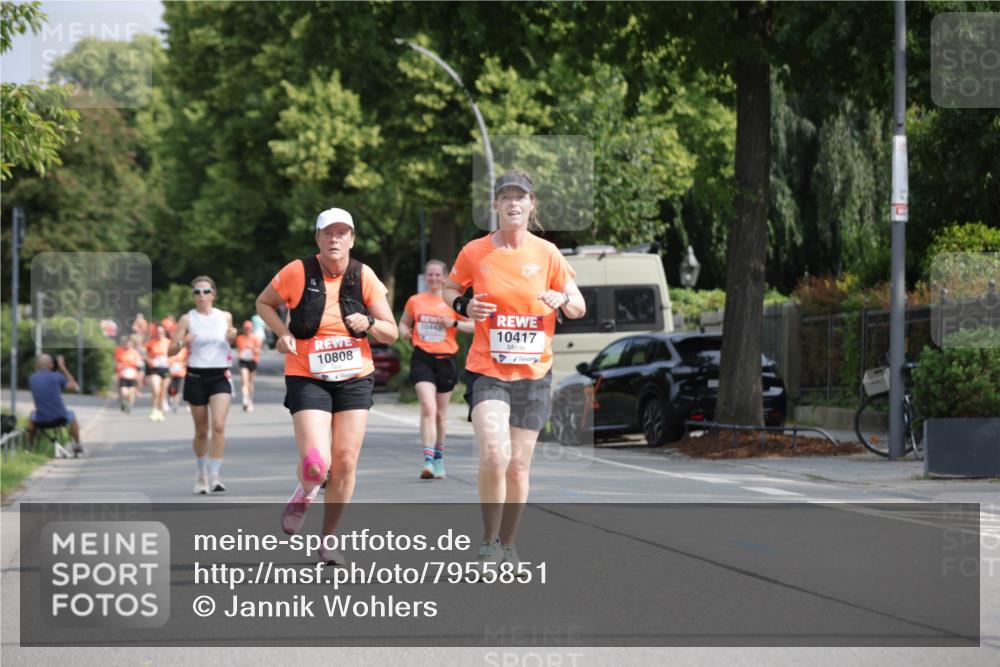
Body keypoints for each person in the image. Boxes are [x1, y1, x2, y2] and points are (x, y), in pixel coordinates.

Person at [443, 171, 585, 572]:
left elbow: (578, 306)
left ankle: (508, 545)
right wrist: (465, 306)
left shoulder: (548, 253)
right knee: (494, 452)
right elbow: (450, 290)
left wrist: (560, 298)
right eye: (505, 197)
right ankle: (488, 542)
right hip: (488, 369)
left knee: (519, 465)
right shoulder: (475, 251)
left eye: (520, 197)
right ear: (495, 205)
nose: (513, 203)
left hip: (534, 373)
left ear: (531, 204)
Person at [256, 207, 397, 565]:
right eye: (328, 233)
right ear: (317, 238)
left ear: (352, 239)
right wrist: (284, 333)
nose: (335, 240)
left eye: (342, 233)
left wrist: (368, 323)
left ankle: (328, 539)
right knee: (317, 465)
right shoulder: (297, 271)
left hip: (354, 377)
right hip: (308, 374)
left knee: (345, 463)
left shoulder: (363, 275)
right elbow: (264, 303)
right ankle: (306, 492)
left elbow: (392, 332)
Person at [399, 260, 473, 480]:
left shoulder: (452, 302)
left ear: (445, 277)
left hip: (446, 360)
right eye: (430, 274)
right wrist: (404, 331)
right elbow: (403, 323)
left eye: (437, 274)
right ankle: (428, 461)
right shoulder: (415, 300)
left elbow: (474, 326)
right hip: (422, 359)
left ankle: (439, 457)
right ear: (425, 277)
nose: (433, 278)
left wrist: (453, 324)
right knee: (428, 408)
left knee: (441, 414)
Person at [170, 276, 237, 494]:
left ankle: (215, 474)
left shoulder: (224, 316)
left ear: (213, 294)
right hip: (196, 376)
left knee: (218, 426)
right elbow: (170, 350)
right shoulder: (187, 319)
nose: (201, 295)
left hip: (220, 375)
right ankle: (201, 474)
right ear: (193, 296)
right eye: (197, 292)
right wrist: (184, 342)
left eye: (206, 291)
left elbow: (230, 338)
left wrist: (232, 335)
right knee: (201, 430)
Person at [27, 354, 83, 455]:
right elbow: (75, 387)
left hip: (41, 419)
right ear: (51, 365)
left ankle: (30, 447)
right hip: (60, 418)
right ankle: (78, 445)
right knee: (72, 414)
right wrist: (62, 367)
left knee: (32, 414)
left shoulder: (32, 378)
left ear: (37, 365)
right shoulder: (57, 376)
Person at [144, 323, 172, 421]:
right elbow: (145, 355)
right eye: (158, 332)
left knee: (163, 391)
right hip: (155, 369)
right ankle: (154, 409)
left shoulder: (169, 342)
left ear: (164, 332)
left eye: (161, 331)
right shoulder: (151, 343)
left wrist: (170, 361)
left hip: (166, 368)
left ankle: (160, 410)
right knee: (156, 390)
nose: (159, 333)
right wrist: (150, 361)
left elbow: (175, 354)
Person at [235, 320, 262, 412]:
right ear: (243, 328)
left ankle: (250, 400)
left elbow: (259, 351)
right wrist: (241, 353)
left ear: (252, 328)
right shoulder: (239, 338)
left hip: (252, 361)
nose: (247, 330)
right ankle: (245, 400)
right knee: (244, 381)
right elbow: (238, 350)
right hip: (243, 361)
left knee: (250, 382)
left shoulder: (256, 338)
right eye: (245, 328)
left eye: (249, 328)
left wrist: (252, 348)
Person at [115, 337, 143, 413]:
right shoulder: (119, 351)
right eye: (127, 344)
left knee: (131, 393)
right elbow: (116, 362)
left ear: (132, 345)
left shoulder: (135, 353)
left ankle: (129, 406)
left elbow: (139, 363)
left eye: (130, 344)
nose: (128, 345)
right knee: (124, 393)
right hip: (123, 375)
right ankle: (124, 401)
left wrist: (134, 364)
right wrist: (119, 366)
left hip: (132, 376)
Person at [167, 346, 188, 414]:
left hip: (181, 373)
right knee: (170, 389)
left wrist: (182, 364)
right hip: (171, 373)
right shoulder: (171, 349)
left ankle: (175, 405)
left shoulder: (184, 351)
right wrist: (171, 364)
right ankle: (171, 398)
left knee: (179, 390)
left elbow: (187, 360)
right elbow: (167, 359)